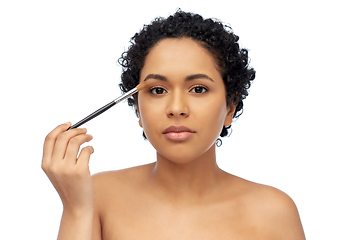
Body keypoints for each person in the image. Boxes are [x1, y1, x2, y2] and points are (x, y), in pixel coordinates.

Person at [42, 10, 305, 239]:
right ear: (137, 109)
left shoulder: (273, 212)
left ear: (230, 106)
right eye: (157, 90)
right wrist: (76, 208)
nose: (177, 108)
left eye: (198, 88)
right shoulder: (97, 196)